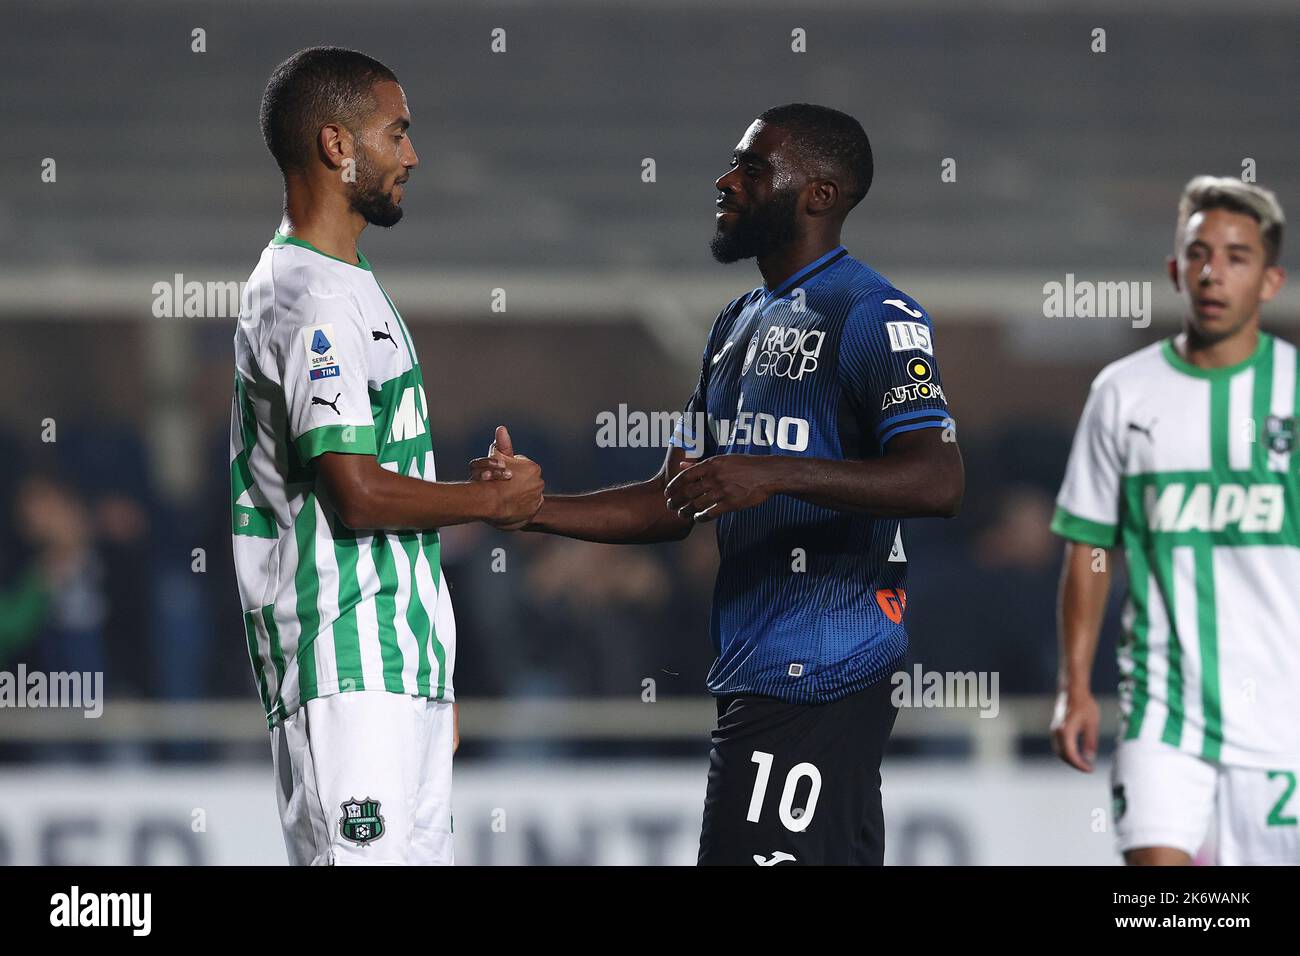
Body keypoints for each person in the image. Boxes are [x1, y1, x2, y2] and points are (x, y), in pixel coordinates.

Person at [476, 104, 963, 865]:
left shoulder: (874, 314)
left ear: (819, 195)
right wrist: (528, 509)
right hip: (758, 675)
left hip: (819, 674)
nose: (726, 179)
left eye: (753, 167)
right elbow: (672, 501)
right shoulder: (736, 323)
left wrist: (772, 473)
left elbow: (938, 478)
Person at [230, 47, 542, 865]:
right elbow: (357, 495)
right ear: (338, 146)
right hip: (347, 669)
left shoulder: (345, 281)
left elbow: (373, 483)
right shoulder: (315, 298)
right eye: (396, 133)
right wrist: (490, 505)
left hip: (395, 668)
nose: (412, 155)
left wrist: (428, 671)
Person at [1050, 176, 1300, 865]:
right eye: (1199, 253)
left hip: (1286, 719)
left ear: (1271, 279)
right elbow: (1091, 547)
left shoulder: (1294, 392)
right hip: (1164, 715)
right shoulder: (1123, 392)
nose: (1214, 271)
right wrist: (1075, 688)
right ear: (1175, 269)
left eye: (1237, 256)